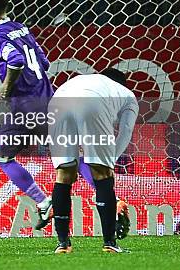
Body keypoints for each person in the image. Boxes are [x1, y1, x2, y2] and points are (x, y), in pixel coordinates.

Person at [0, 0, 55, 229]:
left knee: (3, 157)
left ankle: (43, 203)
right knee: (71, 156)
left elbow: (16, 60)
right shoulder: (21, 28)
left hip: (24, 107)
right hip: (49, 100)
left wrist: (6, 86)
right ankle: (110, 198)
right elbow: (44, 62)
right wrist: (0, 71)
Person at [49, 69, 138, 254]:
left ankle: (63, 244)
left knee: (63, 174)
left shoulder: (85, 80)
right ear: (121, 83)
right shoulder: (126, 94)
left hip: (57, 102)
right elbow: (126, 131)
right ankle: (109, 243)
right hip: (92, 102)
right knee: (102, 174)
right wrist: (109, 162)